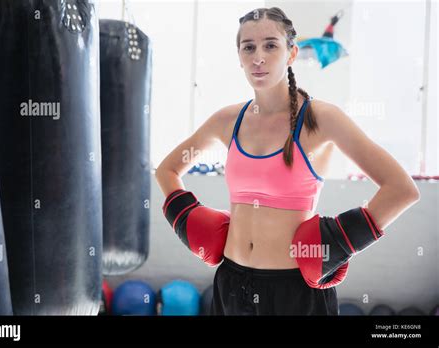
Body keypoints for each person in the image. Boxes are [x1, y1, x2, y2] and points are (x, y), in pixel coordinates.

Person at [155, 7, 420, 315]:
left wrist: (339, 241)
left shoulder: (320, 119)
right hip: (231, 283)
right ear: (239, 56)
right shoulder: (227, 120)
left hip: (295, 291)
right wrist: (189, 219)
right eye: (249, 47)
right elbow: (167, 170)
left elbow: (402, 189)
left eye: (271, 45)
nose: (258, 56)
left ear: (291, 53)